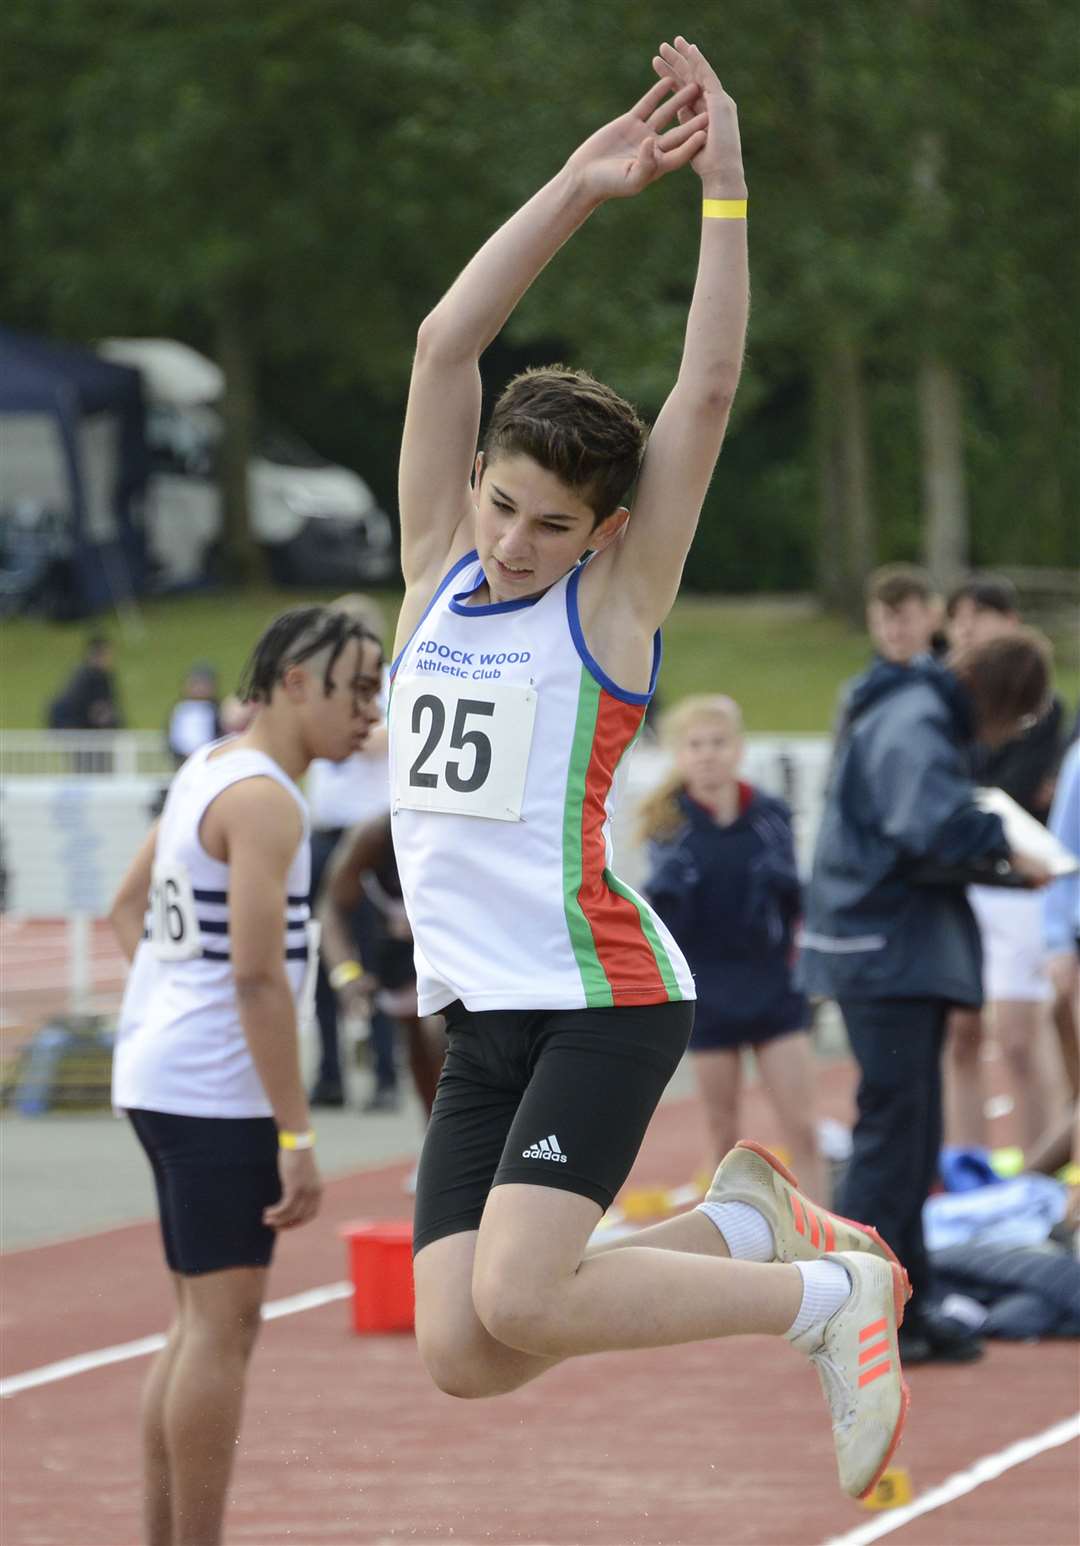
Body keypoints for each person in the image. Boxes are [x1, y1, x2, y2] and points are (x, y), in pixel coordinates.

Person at [389, 37, 908, 1503]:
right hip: (486, 1016)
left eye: (550, 524)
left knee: (532, 1299)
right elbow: (445, 342)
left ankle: (830, 1302)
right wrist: (581, 184)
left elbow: (709, 388)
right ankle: (754, 1227)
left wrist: (725, 192)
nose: (510, 542)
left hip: (602, 994)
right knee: (464, 1345)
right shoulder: (433, 573)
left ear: (603, 532)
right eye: (502, 505)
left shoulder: (608, 609)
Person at [107, 606, 382, 1546]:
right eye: (360, 692)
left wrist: (164, 1001)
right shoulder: (267, 799)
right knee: (224, 1333)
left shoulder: (211, 765)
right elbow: (259, 978)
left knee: (195, 1327)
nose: (371, 714)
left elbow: (125, 905)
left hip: (163, 1072)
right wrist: (296, 1133)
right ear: (299, 685)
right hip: (214, 1091)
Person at [798, 631, 1054, 1364]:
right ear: (998, 698)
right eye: (1020, 718)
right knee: (891, 1136)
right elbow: (929, 825)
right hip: (881, 952)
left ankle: (908, 1302)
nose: (1010, 735)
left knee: (912, 1136)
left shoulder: (912, 710)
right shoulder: (914, 719)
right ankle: (858, 1312)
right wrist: (1007, 848)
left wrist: (997, 858)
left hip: (891, 947)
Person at [639, 694, 825, 1199]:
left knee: (803, 1128)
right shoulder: (666, 823)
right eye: (695, 745)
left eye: (718, 743)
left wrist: (789, 894)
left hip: (772, 987)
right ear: (679, 755)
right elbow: (660, 920)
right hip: (708, 991)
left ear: (738, 749)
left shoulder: (770, 815)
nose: (707, 754)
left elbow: (796, 909)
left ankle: (826, 1237)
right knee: (724, 1136)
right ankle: (724, 1255)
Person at [943, 575, 1071, 1153]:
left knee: (1021, 1037)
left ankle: (1040, 1168)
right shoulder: (939, 703)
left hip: (1022, 884)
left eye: (979, 620)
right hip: (962, 883)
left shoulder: (1039, 699)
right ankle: (970, 1170)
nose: (968, 632)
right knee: (960, 1033)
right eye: (960, 622)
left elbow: (1022, 788)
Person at [304, 594, 398, 1110]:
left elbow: (383, 739)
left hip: (371, 840)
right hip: (325, 831)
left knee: (374, 953)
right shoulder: (324, 687)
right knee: (323, 955)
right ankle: (330, 1074)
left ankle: (385, 1073)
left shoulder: (389, 684)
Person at [318, 812, 445, 1121]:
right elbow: (330, 907)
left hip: (453, 949)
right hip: (399, 954)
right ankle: (434, 1138)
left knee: (440, 1035)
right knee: (417, 1051)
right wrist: (346, 974)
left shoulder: (456, 833)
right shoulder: (374, 835)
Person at [832, 565, 944, 746]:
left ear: (932, 617)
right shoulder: (858, 695)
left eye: (905, 620)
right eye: (884, 620)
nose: (894, 632)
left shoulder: (955, 686)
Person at [47, 634, 124, 730]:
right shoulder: (85, 677)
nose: (110, 659)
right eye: (107, 654)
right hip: (70, 726)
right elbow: (91, 709)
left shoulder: (102, 676)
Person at [166, 664, 223, 766]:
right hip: (182, 760)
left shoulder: (217, 710)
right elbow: (172, 737)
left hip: (210, 760)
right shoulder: (179, 709)